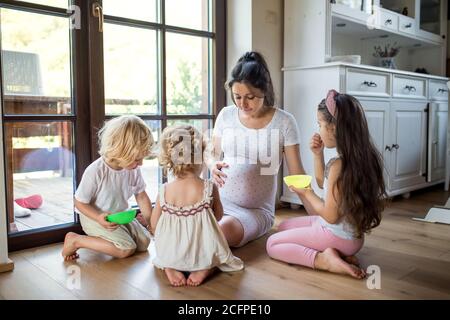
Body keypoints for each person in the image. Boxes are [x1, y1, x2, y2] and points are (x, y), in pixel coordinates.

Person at [266, 90, 386, 279]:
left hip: (335, 233)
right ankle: (341, 254)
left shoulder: (339, 166)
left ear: (334, 128)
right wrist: (317, 154)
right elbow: (324, 183)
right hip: (348, 236)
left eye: (320, 124)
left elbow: (330, 215)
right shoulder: (358, 159)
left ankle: (324, 260)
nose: (319, 129)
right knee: (284, 227)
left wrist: (306, 193)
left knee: (272, 244)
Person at [210, 51, 305, 247]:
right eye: (237, 97)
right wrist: (212, 165)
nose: (242, 104)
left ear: (264, 90)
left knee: (219, 233)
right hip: (217, 202)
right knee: (184, 222)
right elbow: (211, 153)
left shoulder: (284, 122)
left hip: (254, 211)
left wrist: (322, 217)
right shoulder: (226, 115)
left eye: (250, 97)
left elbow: (298, 174)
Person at [151, 125, 243, 287]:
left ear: (169, 159)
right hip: (201, 250)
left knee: (167, 246)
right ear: (200, 158)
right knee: (213, 241)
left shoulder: (164, 190)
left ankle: (170, 266)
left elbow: (154, 224)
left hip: (171, 251)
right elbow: (219, 216)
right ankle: (205, 267)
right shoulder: (208, 187)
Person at [62, 115, 155, 261]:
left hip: (119, 215)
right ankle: (75, 240)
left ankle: (119, 236)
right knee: (126, 249)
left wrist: (152, 223)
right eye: (137, 159)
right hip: (94, 217)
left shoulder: (133, 169)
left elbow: (141, 196)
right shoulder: (96, 171)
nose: (141, 163)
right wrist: (98, 218)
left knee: (144, 243)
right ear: (120, 151)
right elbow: (79, 202)